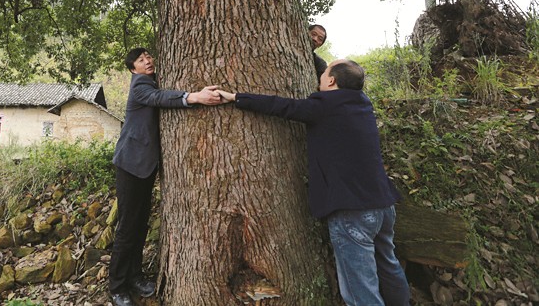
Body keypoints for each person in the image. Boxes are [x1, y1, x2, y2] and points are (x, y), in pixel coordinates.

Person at [217, 60, 410, 306]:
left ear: (331, 81)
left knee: (360, 287)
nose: (320, 75)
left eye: (325, 72)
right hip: (383, 205)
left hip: (353, 210)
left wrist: (236, 97)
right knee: (388, 266)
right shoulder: (362, 104)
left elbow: (282, 106)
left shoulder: (326, 105)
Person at [109, 47, 223, 306]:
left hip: (145, 165)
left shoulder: (153, 79)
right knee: (127, 227)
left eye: (148, 57)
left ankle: (135, 277)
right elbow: (159, 97)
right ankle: (117, 287)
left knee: (139, 225)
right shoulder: (140, 85)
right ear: (132, 69)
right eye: (140, 60)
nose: (147, 61)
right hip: (130, 163)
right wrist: (194, 97)